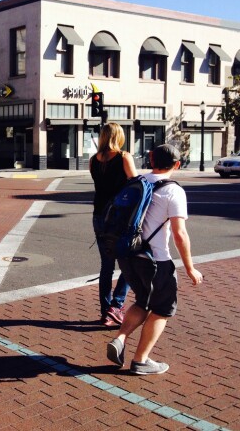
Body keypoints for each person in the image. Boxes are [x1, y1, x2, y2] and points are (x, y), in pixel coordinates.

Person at [107, 144, 203, 375]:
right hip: (156, 260)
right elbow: (180, 234)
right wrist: (190, 268)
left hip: (130, 255)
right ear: (177, 164)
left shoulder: (138, 181)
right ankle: (141, 360)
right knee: (162, 309)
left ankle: (120, 338)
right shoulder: (173, 191)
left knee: (142, 301)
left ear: (151, 159)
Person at [89, 122, 137, 327]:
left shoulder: (93, 160)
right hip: (119, 217)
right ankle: (116, 307)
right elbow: (136, 185)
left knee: (106, 266)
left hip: (99, 215)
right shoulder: (124, 157)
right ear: (118, 137)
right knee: (128, 263)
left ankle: (105, 311)